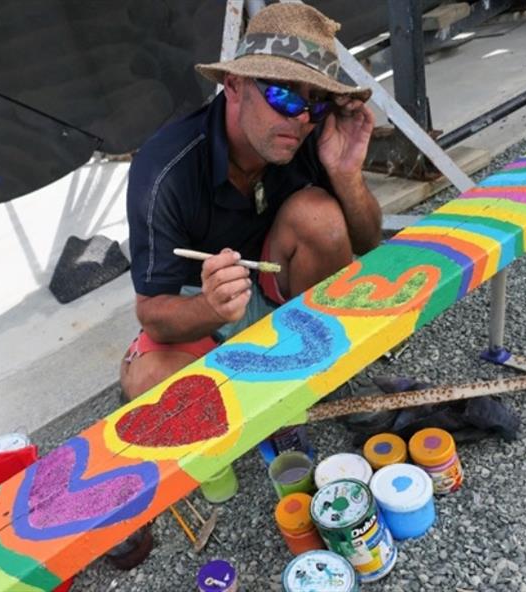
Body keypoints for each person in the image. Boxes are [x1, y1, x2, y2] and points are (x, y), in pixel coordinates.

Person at [121, 2, 382, 401]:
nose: (300, 118)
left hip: (274, 284)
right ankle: (273, 385)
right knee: (147, 383)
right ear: (234, 86)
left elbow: (366, 242)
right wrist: (212, 307)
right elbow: (153, 314)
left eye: (316, 102)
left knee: (322, 217)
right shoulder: (164, 171)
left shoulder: (312, 134)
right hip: (203, 301)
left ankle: (314, 366)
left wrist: (346, 176)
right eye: (285, 95)